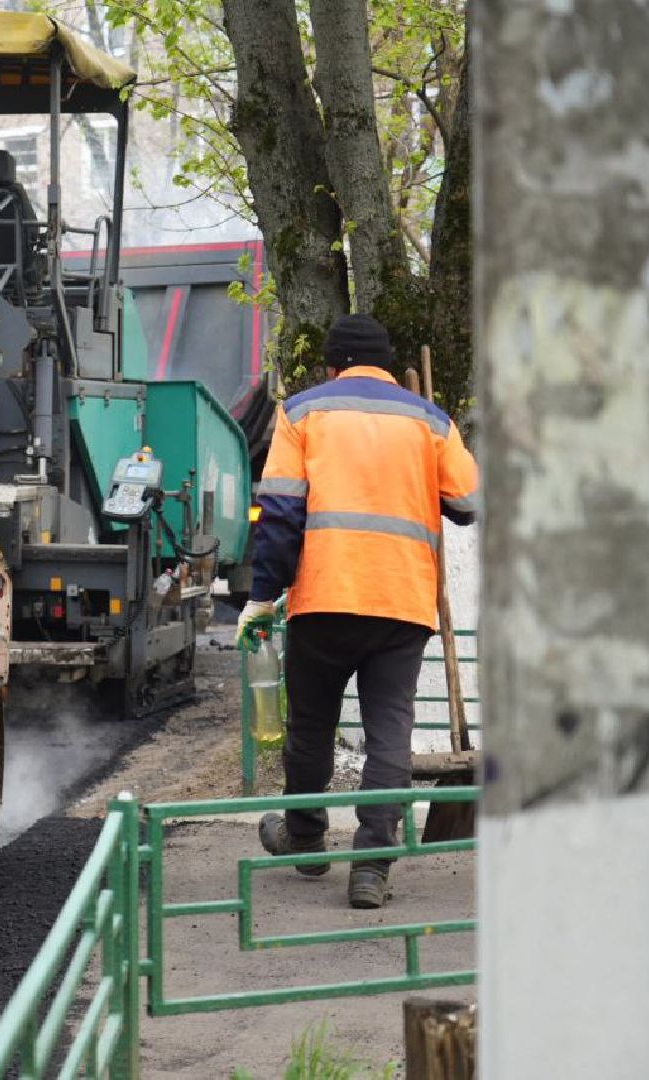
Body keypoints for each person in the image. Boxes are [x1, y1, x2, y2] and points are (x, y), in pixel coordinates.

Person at [236, 314, 480, 910]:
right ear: (390, 366)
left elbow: (281, 515)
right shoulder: (429, 419)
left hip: (323, 598)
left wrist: (262, 595)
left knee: (311, 727)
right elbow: (469, 503)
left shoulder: (302, 413)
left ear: (331, 365)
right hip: (403, 603)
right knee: (389, 735)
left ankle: (306, 839)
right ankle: (371, 866)